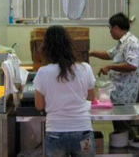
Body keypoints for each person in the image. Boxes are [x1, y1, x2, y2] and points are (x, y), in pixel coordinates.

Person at [34, 25, 96, 157]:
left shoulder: (43, 72)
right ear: (69, 45)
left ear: (46, 48)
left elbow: (39, 105)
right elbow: (91, 97)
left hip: (56, 133)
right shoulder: (85, 68)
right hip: (82, 132)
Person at [89, 12, 139, 140]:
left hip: (125, 95)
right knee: (119, 126)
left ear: (116, 28)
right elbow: (109, 54)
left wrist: (110, 67)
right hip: (118, 93)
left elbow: (132, 65)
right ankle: (126, 145)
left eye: (110, 29)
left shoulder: (132, 43)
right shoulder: (122, 42)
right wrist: (90, 53)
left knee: (123, 126)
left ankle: (132, 146)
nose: (110, 32)